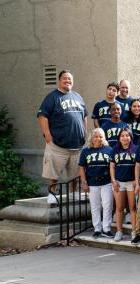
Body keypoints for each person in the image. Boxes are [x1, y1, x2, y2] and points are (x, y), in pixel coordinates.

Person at [37, 70, 87, 204]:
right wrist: (47, 135)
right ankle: (52, 193)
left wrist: (84, 133)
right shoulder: (52, 97)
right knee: (53, 172)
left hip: (77, 144)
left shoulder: (78, 96)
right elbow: (42, 116)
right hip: (58, 143)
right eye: (65, 78)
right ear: (59, 81)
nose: (68, 81)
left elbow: (84, 116)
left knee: (76, 172)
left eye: (70, 79)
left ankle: (74, 193)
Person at [78, 128, 113, 238]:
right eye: (96, 136)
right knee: (95, 206)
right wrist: (84, 182)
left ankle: (106, 228)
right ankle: (97, 228)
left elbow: (113, 166)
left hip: (107, 182)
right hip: (92, 183)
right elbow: (81, 167)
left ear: (104, 138)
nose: (98, 138)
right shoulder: (86, 151)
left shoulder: (109, 150)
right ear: (92, 138)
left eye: (101, 136)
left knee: (108, 205)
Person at [110, 127, 137, 241]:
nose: (125, 138)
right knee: (119, 207)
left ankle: (134, 231)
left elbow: (137, 166)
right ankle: (119, 231)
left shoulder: (136, 149)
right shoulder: (115, 150)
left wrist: (136, 180)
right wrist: (113, 180)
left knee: (132, 207)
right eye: (122, 136)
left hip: (131, 182)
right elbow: (112, 166)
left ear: (130, 137)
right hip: (119, 182)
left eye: (127, 135)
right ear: (119, 138)